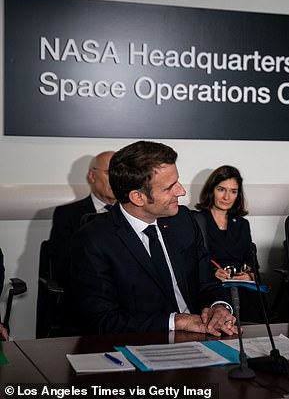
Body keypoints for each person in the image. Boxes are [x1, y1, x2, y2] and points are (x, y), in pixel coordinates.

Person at [71, 141, 237, 335]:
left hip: (201, 335)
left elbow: (207, 282)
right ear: (138, 197)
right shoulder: (93, 241)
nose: (181, 191)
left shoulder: (183, 220)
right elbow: (103, 321)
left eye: (178, 181)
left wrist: (220, 306)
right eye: (170, 188)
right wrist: (178, 321)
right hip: (141, 342)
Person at [194, 165, 264, 322]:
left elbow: (251, 261)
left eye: (233, 191)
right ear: (211, 190)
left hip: (242, 289)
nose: (227, 197)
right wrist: (212, 274)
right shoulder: (196, 220)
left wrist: (250, 275)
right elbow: (191, 263)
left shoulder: (241, 224)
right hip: (213, 288)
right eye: (221, 189)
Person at [49, 151, 117, 288]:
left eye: (121, 173)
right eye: (110, 172)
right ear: (92, 176)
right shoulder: (67, 215)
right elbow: (64, 266)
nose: (116, 179)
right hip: (89, 290)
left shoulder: (135, 213)